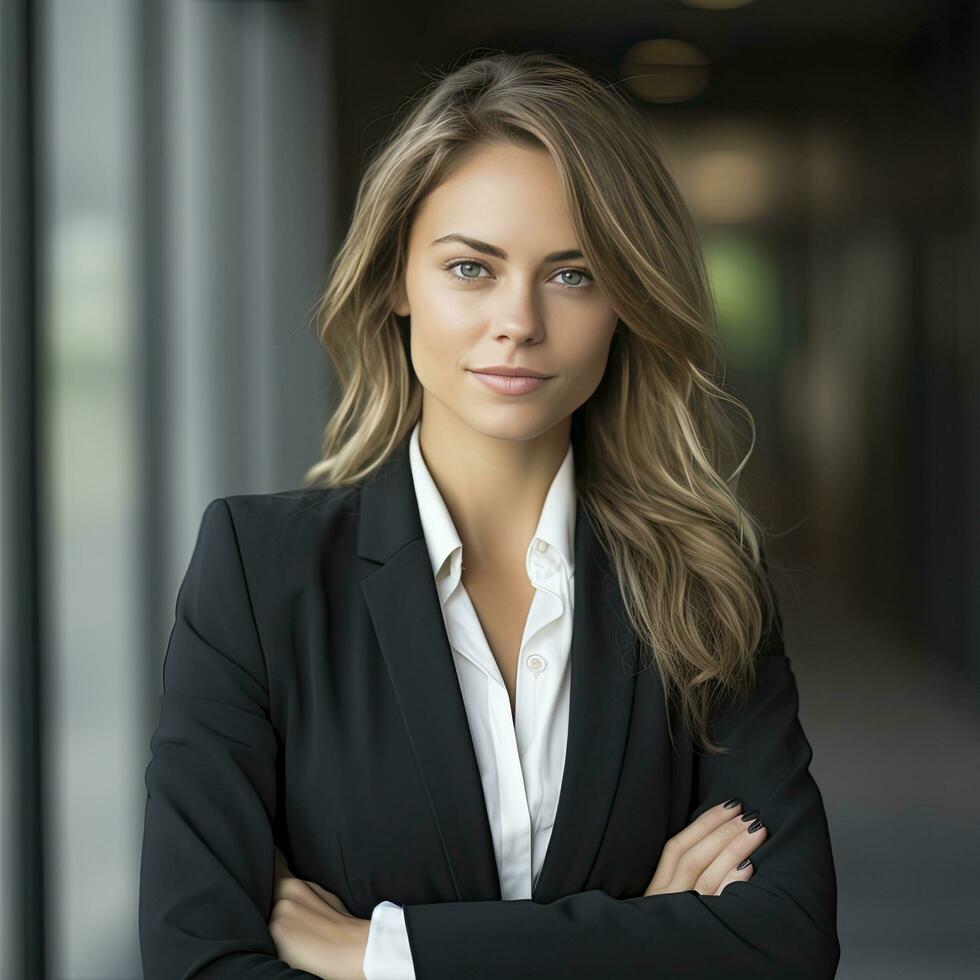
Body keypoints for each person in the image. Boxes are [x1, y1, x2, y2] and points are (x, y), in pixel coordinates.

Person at [138, 50, 839, 979]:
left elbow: (784, 945)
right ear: (397, 279)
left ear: (626, 300)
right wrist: (644, 937)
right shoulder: (260, 577)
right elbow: (199, 966)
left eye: (574, 275)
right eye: (472, 268)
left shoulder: (703, 583)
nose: (519, 321)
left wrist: (382, 953)